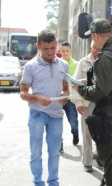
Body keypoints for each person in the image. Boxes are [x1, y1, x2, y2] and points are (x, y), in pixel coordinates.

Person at [77, 18, 112, 186]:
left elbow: (100, 91)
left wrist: (81, 88)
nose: (92, 41)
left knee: (109, 160)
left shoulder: (105, 58)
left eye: (92, 38)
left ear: (96, 35)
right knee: (110, 154)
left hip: (108, 113)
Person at [19, 30, 68, 186]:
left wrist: (65, 97)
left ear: (57, 46)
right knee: (36, 152)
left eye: (53, 48)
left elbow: (67, 89)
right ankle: (38, 182)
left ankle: (53, 182)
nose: (50, 52)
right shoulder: (30, 67)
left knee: (54, 152)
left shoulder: (63, 65)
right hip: (37, 114)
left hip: (56, 115)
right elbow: (23, 93)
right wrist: (37, 98)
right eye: (46, 49)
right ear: (38, 46)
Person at [73, 41, 101, 173]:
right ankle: (88, 161)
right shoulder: (83, 62)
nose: (96, 50)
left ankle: (100, 156)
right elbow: (75, 84)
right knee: (87, 133)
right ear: (90, 48)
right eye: (94, 48)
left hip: (103, 103)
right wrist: (78, 103)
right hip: (87, 103)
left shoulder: (106, 61)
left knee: (102, 133)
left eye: (99, 48)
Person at [60, 41, 79, 150]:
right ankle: (59, 143)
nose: (65, 53)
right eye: (63, 51)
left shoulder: (76, 64)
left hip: (71, 99)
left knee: (73, 123)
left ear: (70, 51)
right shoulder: (56, 64)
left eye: (67, 51)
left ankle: (75, 133)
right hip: (59, 98)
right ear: (60, 51)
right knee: (57, 124)